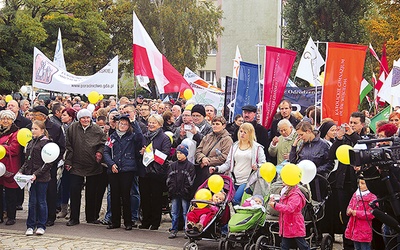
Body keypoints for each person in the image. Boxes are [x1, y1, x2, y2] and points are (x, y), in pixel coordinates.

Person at [329, 111, 366, 250]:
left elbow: (364, 148)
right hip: (342, 183)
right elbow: (331, 155)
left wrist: (352, 135)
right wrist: (338, 139)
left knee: (360, 217)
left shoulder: (363, 137)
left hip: (358, 184)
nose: (351, 125)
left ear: (362, 125)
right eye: (350, 122)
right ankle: (347, 246)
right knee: (345, 215)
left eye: (355, 123)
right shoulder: (344, 138)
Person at [64, 109, 107, 226]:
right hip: (76, 164)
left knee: (92, 192)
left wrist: (99, 152)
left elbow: (103, 144)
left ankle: (91, 217)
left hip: (93, 165)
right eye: (83, 118)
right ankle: (74, 218)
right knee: (74, 191)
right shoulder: (72, 128)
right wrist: (68, 161)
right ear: (79, 119)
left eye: (87, 118)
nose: (85, 120)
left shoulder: (97, 129)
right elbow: (68, 145)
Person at [103, 115, 144, 230]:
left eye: (125, 124)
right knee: (114, 196)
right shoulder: (112, 136)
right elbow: (106, 151)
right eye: (121, 123)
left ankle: (128, 221)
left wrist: (134, 122)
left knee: (126, 195)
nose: (122, 126)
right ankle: (115, 221)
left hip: (127, 169)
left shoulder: (132, 137)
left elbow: (140, 138)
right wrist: (111, 164)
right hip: (114, 169)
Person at [210, 123, 266, 205]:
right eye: (241, 131)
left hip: (248, 180)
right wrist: (217, 168)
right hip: (234, 179)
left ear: (250, 134)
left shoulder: (257, 148)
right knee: (233, 202)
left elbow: (263, 164)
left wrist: (257, 166)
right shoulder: (234, 146)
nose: (242, 134)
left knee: (236, 199)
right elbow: (228, 163)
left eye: (245, 132)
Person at [29, 105, 65, 227]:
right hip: (35, 166)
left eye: (36, 115)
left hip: (50, 166)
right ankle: (36, 216)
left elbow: (61, 147)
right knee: (36, 192)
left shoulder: (55, 128)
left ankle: (50, 216)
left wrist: (54, 161)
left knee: (50, 191)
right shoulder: (32, 127)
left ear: (43, 117)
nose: (33, 117)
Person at [18, 120, 52, 235]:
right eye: (32, 128)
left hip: (42, 178)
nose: (33, 131)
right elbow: (27, 161)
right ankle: (30, 225)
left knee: (41, 201)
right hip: (30, 177)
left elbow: (48, 163)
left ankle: (41, 225)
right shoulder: (30, 143)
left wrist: (36, 174)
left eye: (36, 129)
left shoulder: (46, 143)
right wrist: (21, 171)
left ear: (42, 130)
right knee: (32, 202)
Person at [139, 114, 171, 230]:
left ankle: (155, 222)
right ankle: (145, 221)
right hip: (144, 172)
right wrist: (142, 152)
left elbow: (164, 156)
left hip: (157, 173)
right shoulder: (145, 136)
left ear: (160, 125)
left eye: (154, 123)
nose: (151, 125)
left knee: (156, 199)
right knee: (145, 198)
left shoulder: (164, 138)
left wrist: (150, 153)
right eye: (150, 122)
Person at [289, 121, 332, 201]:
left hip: (318, 182)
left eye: (301, 134)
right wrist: (294, 146)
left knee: (317, 203)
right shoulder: (302, 144)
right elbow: (293, 161)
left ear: (308, 131)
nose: (300, 137)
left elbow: (330, 163)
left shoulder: (323, 145)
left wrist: (315, 171)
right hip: (303, 181)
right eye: (298, 135)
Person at [193, 116, 233, 196]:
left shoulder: (227, 139)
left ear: (224, 125)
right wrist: (202, 158)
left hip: (214, 172)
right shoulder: (208, 136)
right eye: (213, 124)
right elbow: (198, 150)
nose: (214, 126)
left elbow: (224, 157)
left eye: (217, 124)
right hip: (201, 169)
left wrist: (208, 161)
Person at [268, 182, 310, 250]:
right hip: (287, 224)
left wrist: (276, 205)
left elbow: (290, 208)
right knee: (285, 246)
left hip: (295, 224)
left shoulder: (295, 195)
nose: (282, 183)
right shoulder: (286, 192)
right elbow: (283, 206)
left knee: (302, 245)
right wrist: (274, 203)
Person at [166, 144, 195, 239]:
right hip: (174, 193)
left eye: (181, 153)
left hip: (185, 194)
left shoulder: (190, 166)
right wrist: (172, 190)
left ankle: (187, 229)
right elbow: (169, 179)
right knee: (174, 212)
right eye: (177, 153)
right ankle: (174, 229)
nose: (178, 155)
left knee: (186, 213)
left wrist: (185, 191)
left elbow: (190, 182)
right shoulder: (173, 165)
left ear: (186, 154)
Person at [0, 110, 22, 225]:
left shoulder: (16, 133)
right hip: (0, 166)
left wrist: (3, 148)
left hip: (10, 166)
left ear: (12, 120)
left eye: (8, 119)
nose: (5, 121)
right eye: (3, 118)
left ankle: (11, 216)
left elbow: (14, 149)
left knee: (10, 193)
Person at [344, 179, 376, 250]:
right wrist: (349, 210)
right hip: (354, 228)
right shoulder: (356, 194)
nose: (360, 185)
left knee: (365, 247)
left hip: (364, 229)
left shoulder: (372, 197)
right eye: (359, 183)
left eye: (363, 183)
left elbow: (372, 213)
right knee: (357, 247)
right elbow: (350, 204)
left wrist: (357, 213)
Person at [57, 108, 76, 219]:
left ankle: (72, 209)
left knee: (73, 186)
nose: (62, 116)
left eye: (64, 115)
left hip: (74, 160)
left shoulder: (75, 128)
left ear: (71, 117)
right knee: (64, 185)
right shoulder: (60, 128)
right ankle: (63, 208)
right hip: (62, 160)